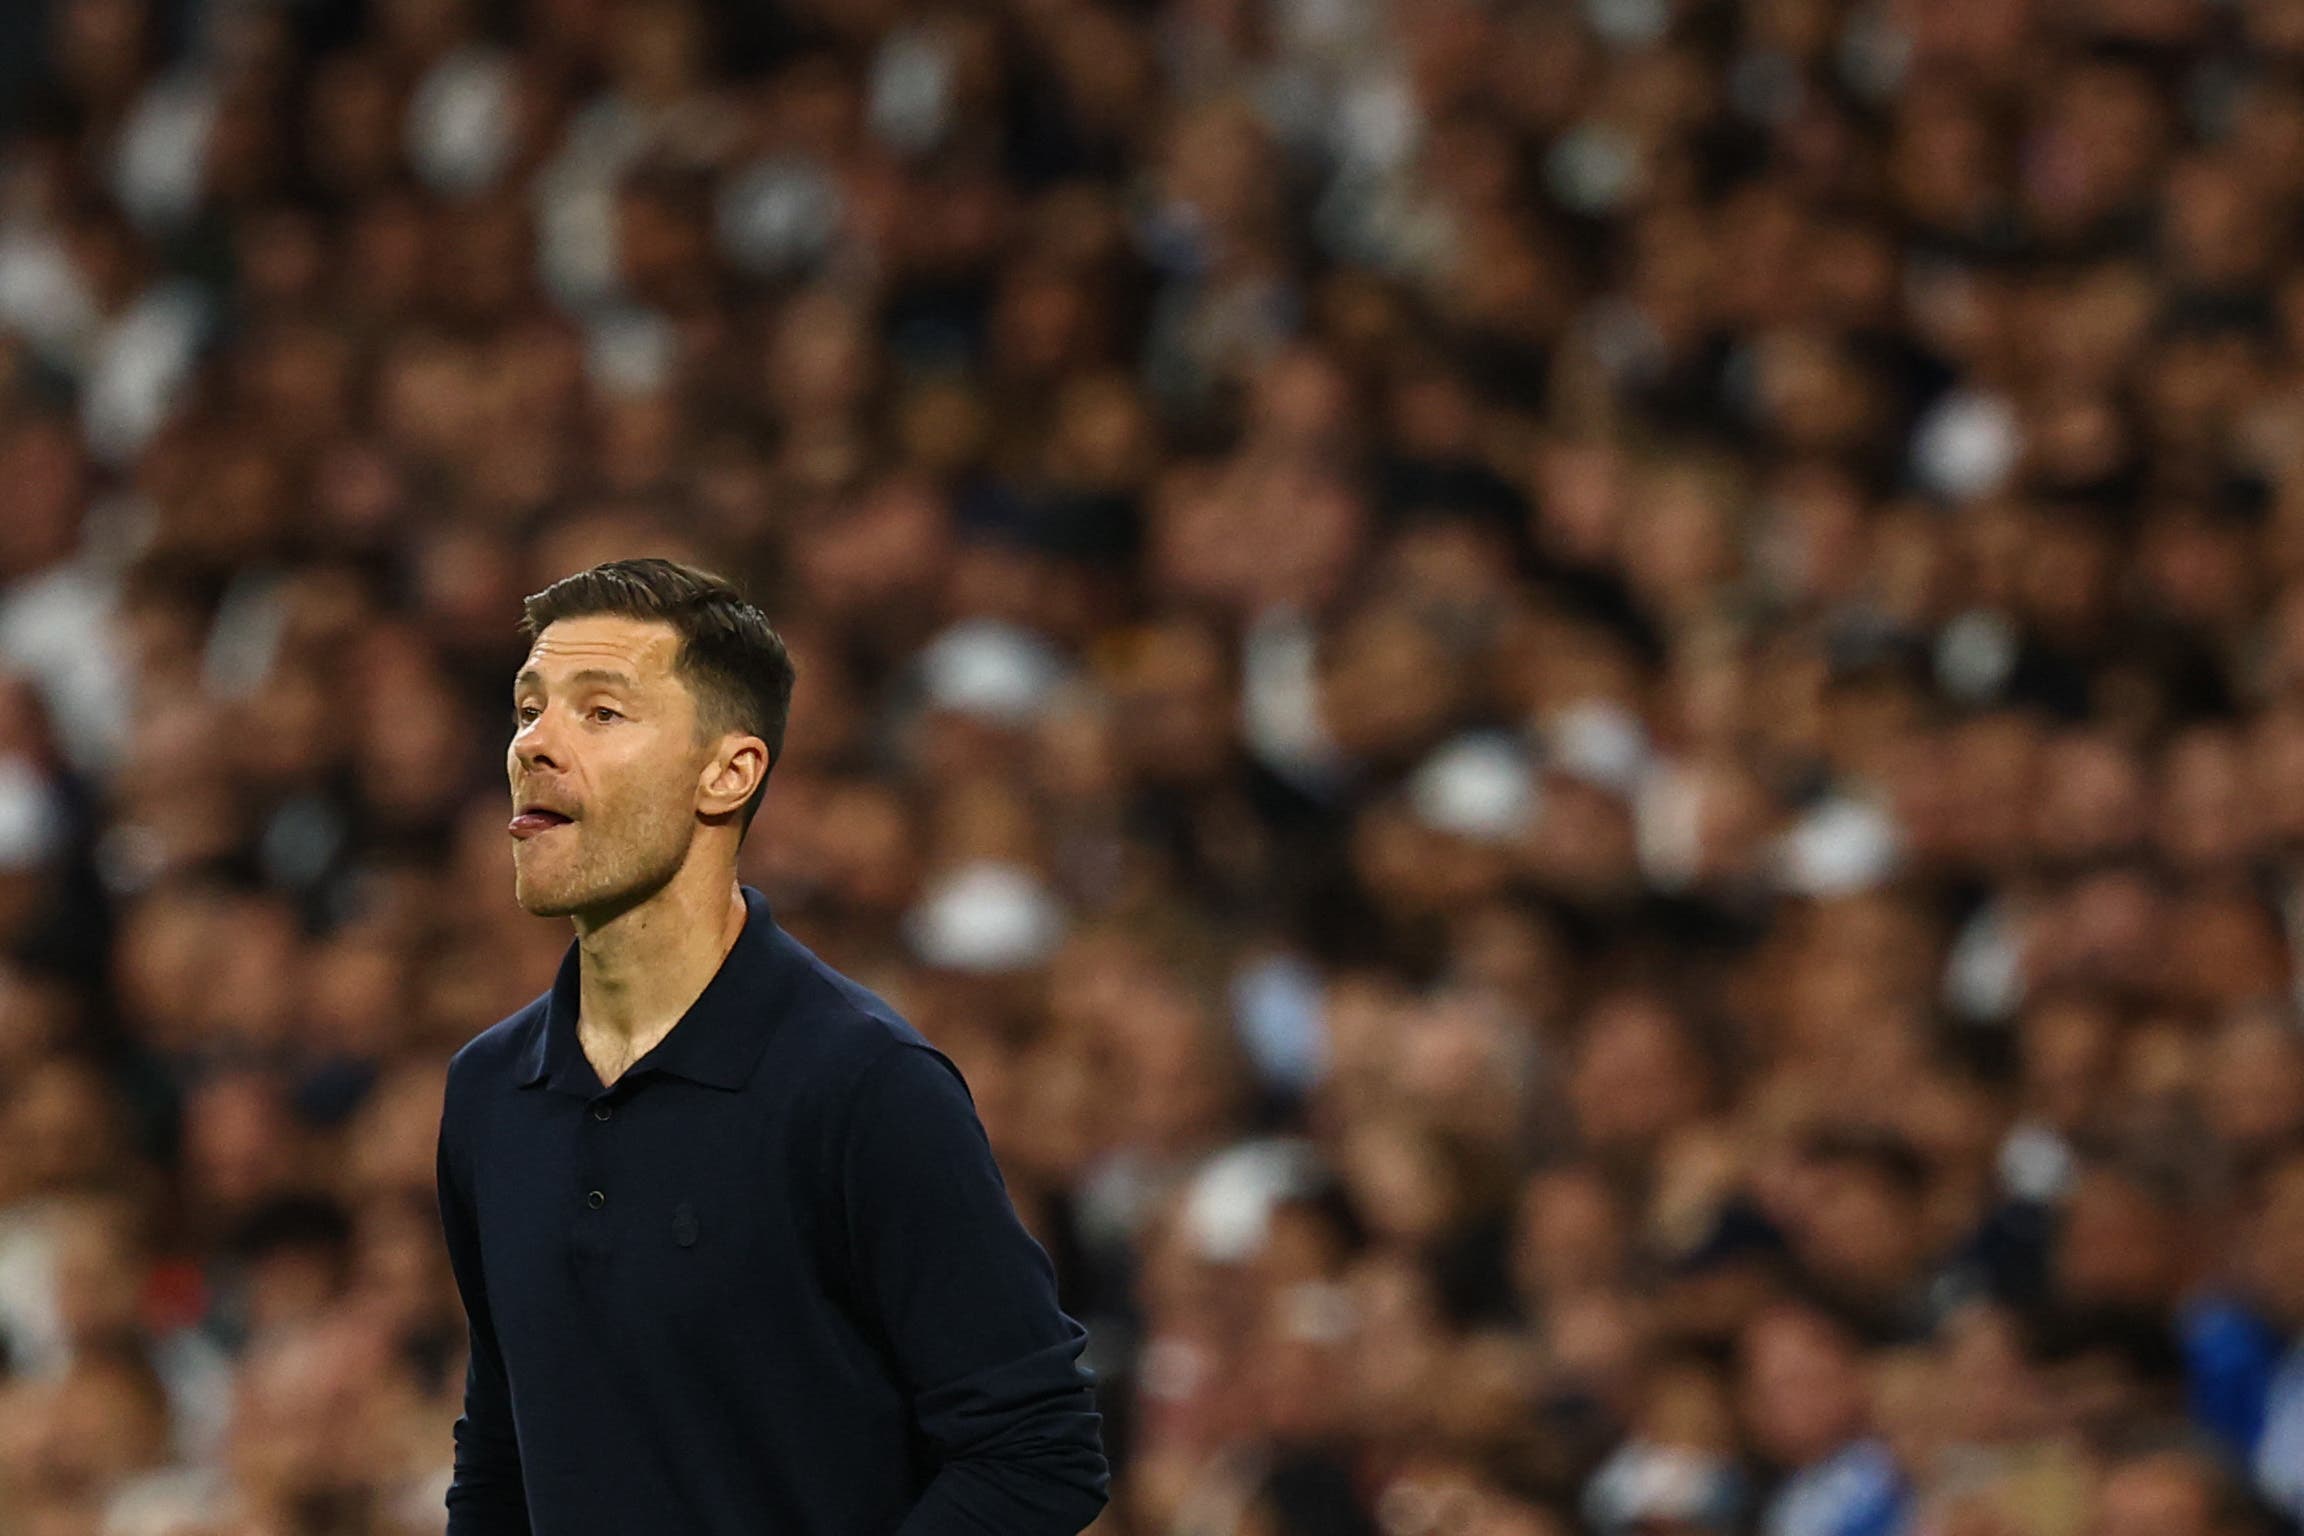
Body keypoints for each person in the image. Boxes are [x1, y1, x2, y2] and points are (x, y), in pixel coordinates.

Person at [433, 558, 1110, 1534]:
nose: (534, 744)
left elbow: (1036, 1452)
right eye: (528, 708)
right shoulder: (491, 1093)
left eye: (601, 713)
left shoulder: (865, 1086)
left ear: (729, 773)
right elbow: (503, 1456)